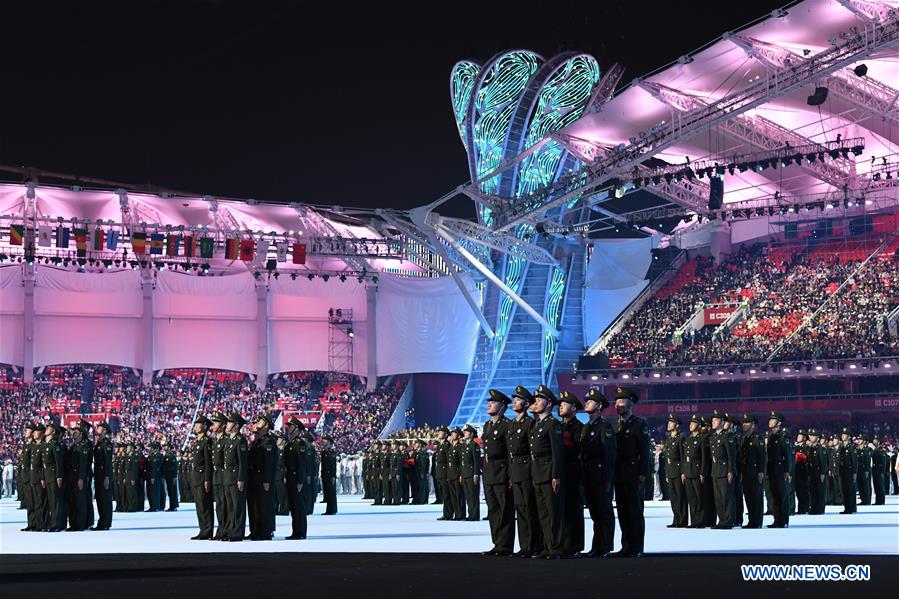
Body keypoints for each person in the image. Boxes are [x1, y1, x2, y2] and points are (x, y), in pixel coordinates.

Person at [612, 386, 650, 557]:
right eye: (616, 401)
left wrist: (642, 474)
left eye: (621, 401)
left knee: (635, 512)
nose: (617, 405)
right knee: (623, 512)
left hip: (634, 474)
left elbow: (644, 452)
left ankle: (637, 547)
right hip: (619, 474)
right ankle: (626, 546)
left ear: (631, 403)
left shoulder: (639, 424)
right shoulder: (615, 425)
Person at [579, 388, 616, 557]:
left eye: (590, 401)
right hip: (589, 475)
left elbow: (609, 454)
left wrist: (608, 478)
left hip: (601, 476)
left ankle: (605, 546)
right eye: (586, 400)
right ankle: (597, 546)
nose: (586, 403)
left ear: (599, 406)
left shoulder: (604, 426)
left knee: (604, 512)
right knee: (595, 513)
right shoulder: (586, 427)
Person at [528, 384, 563, 560]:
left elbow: (557, 453)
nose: (536, 402)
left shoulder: (553, 424)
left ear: (549, 404)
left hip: (549, 473)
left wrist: (556, 475)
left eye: (539, 399)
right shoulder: (537, 425)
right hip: (538, 473)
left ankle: (556, 548)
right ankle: (547, 546)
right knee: (543, 513)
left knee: (553, 513)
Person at [506, 385, 541, 557]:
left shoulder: (530, 423)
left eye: (518, 400)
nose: (514, 402)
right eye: (514, 399)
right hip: (516, 470)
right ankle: (524, 545)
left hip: (527, 469)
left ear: (527, 404)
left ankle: (533, 545)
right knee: (520, 509)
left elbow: (533, 450)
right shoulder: (512, 423)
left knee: (529, 509)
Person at [481, 389, 513, 556]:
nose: (489, 404)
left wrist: (509, 475)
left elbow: (510, 453)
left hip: (502, 473)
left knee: (504, 510)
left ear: (502, 406)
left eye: (493, 402)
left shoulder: (507, 425)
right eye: (489, 402)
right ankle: (497, 543)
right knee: (493, 511)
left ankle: (505, 545)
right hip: (489, 473)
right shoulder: (487, 425)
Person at [556, 391, 584, 558]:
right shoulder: (559, 426)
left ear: (574, 408)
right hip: (561, 472)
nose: (560, 406)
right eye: (560, 404)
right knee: (562, 510)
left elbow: (577, 451)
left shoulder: (579, 427)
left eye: (564, 404)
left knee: (573, 510)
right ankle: (563, 543)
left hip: (573, 472)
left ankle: (574, 545)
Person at [248, 413, 278, 540]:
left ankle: (265, 531)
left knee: (264, 505)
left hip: (263, 478)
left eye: (260, 421)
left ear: (266, 425)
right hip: (254, 478)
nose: (257, 423)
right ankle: (255, 530)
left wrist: (267, 480)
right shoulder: (257, 441)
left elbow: (270, 464)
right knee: (255, 506)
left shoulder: (269, 441)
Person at [222, 412, 248, 541]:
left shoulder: (240, 440)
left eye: (230, 422)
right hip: (228, 477)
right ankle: (231, 531)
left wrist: (241, 478)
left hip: (236, 477)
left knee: (238, 507)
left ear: (236, 425)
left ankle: (238, 532)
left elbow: (243, 462)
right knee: (230, 507)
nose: (227, 424)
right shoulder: (229, 440)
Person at [709, 410, 736, 529]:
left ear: (722, 422)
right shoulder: (714, 437)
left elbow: (731, 456)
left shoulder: (726, 436)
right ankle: (721, 520)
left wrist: (730, 471)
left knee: (726, 497)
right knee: (718, 498)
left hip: (725, 471)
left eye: (715, 420)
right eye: (712, 420)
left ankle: (728, 521)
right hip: (715, 471)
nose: (713, 422)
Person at [189, 415, 214, 540]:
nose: (196, 426)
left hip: (203, 478)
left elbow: (208, 463)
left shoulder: (207, 442)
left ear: (204, 427)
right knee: (199, 506)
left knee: (205, 505)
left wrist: (207, 479)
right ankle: (202, 529)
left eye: (198, 424)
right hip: (196, 478)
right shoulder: (198, 442)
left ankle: (207, 530)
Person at [284, 416, 309, 539]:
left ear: (297, 428)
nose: (288, 428)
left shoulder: (299, 444)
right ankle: (296, 531)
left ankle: (301, 532)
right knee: (293, 507)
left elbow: (302, 464)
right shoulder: (291, 443)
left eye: (291, 426)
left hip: (296, 479)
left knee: (299, 507)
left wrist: (300, 481)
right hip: (290, 478)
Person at [739, 414, 766, 528]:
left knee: (756, 496)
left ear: (753, 425)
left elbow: (762, 456)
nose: (744, 425)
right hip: (745, 471)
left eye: (747, 423)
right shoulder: (743, 438)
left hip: (755, 471)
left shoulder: (757, 438)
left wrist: (761, 471)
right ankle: (751, 520)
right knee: (748, 496)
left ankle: (757, 521)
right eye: (743, 423)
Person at [766, 411, 792, 528]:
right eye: (770, 419)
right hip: (772, 469)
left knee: (782, 496)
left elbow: (787, 455)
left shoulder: (783, 436)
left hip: (781, 470)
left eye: (773, 419)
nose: (770, 421)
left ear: (779, 423)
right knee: (774, 496)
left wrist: (787, 471)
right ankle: (777, 520)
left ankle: (784, 520)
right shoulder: (771, 436)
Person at [65, 420, 92, 531]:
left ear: (81, 433)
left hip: (79, 477)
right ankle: (73, 523)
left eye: (76, 431)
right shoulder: (73, 446)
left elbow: (83, 464)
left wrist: (81, 478)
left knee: (80, 501)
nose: (73, 433)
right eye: (73, 431)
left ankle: (80, 524)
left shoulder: (84, 445)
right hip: (72, 477)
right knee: (73, 501)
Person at [663, 414, 687, 528]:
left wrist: (683, 472)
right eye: (668, 422)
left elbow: (683, 457)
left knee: (680, 496)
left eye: (671, 422)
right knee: (673, 498)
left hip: (678, 471)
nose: (668, 424)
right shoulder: (669, 440)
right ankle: (676, 519)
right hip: (670, 471)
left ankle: (682, 520)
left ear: (677, 425)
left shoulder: (680, 439)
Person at [42, 423, 67, 532]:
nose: (46, 429)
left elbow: (58, 462)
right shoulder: (47, 445)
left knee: (56, 501)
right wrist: (43, 477)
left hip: (53, 476)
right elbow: (44, 464)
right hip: (47, 476)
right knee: (52, 501)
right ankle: (53, 523)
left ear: (53, 432)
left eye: (49, 428)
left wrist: (59, 477)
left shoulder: (55, 444)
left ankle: (56, 524)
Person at [91, 420, 114, 530]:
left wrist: (107, 477)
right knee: (100, 499)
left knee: (105, 500)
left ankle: (106, 523)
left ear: (104, 430)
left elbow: (108, 462)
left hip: (104, 475)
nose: (97, 429)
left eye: (99, 427)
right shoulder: (99, 443)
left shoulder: (106, 444)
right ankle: (102, 522)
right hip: (98, 474)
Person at [209, 412, 228, 538]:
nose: (213, 425)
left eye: (216, 423)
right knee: (219, 505)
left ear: (223, 425)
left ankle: (224, 530)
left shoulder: (226, 440)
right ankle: (221, 529)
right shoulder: (216, 440)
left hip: (223, 475)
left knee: (224, 504)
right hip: (216, 475)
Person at [28, 423, 47, 531]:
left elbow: (44, 465)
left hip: (40, 477)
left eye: (36, 431)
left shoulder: (43, 446)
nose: (34, 433)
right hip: (34, 477)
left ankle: (42, 524)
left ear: (42, 433)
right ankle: (37, 523)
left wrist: (42, 477)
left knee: (41, 502)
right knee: (36, 502)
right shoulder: (35, 446)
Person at [459, 425, 481, 521]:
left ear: (471, 434)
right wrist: (461, 474)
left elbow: (476, 461)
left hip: (472, 474)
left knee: (473, 495)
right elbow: (462, 462)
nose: (464, 433)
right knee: (468, 496)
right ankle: (470, 514)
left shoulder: (474, 445)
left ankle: (474, 515)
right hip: (465, 473)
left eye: (466, 432)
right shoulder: (465, 445)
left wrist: (476, 473)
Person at [836, 428, 858, 514]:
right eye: (842, 434)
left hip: (849, 471)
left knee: (850, 490)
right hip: (842, 471)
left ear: (848, 437)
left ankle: (851, 508)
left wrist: (855, 472)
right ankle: (846, 507)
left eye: (844, 435)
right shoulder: (841, 447)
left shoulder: (851, 447)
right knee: (844, 490)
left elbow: (854, 460)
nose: (842, 436)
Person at [805, 429, 826, 515]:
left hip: (818, 472)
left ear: (817, 438)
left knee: (819, 491)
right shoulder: (810, 448)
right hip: (811, 472)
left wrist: (822, 473)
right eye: (810, 435)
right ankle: (813, 508)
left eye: (813, 436)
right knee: (812, 491)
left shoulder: (820, 448)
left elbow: (823, 462)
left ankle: (820, 509)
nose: (811, 437)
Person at [446, 427, 465, 520]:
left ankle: (461, 514)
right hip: (451, 474)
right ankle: (456, 513)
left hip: (457, 474)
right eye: (452, 433)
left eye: (454, 433)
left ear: (459, 435)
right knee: (453, 495)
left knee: (459, 495)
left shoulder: (460, 447)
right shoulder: (451, 447)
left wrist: (461, 474)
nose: (452, 435)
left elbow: (462, 462)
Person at [433, 427, 452, 520]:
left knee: (447, 495)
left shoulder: (446, 445)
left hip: (445, 473)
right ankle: (446, 513)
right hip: (440, 473)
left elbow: (449, 461)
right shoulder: (440, 445)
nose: (439, 433)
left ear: (446, 434)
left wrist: (448, 474)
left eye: (441, 432)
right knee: (444, 495)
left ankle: (448, 513)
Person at [321, 435, 338, 515]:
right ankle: (329, 509)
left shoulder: (331, 452)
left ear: (329, 442)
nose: (323, 441)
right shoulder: (324, 452)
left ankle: (332, 509)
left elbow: (333, 465)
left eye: (324, 440)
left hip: (329, 475)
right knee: (327, 492)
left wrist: (333, 476)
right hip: (325, 474)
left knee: (331, 492)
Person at [794, 430, 809, 515]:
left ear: (804, 438)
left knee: (804, 491)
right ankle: (801, 508)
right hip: (796, 471)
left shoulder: (806, 447)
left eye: (800, 436)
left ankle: (805, 508)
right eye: (798, 435)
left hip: (803, 472)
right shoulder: (795, 447)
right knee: (798, 491)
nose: (798, 437)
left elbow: (807, 459)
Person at [161, 440, 179, 512]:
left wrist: (174, 476)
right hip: (168, 475)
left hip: (171, 476)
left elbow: (174, 466)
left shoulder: (171, 455)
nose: (164, 448)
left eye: (165, 446)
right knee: (170, 491)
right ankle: (172, 506)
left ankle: (173, 506)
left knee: (172, 491)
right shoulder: (166, 455)